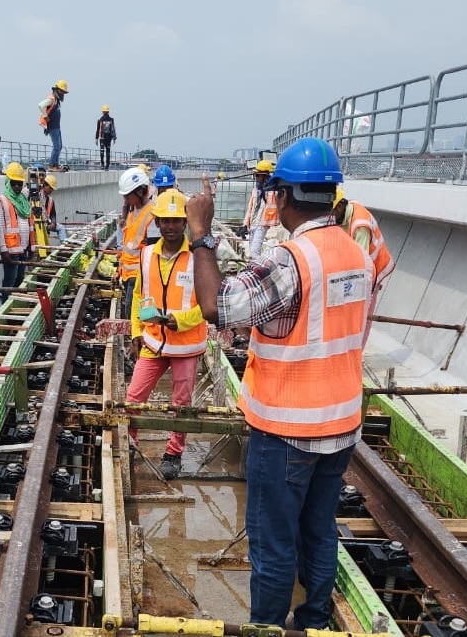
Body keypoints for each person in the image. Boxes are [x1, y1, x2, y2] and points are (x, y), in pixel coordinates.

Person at [185, 137, 374, 631]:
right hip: (340, 425)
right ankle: (313, 619)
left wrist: (201, 234)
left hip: (287, 428)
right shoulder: (357, 254)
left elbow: (216, 307)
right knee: (318, 530)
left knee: (272, 542)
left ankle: (266, 628)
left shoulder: (294, 260)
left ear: (282, 196)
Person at [128, 189, 207, 480]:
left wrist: (180, 320)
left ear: (185, 222)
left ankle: (173, 453)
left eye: (176, 221)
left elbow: (208, 305)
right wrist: (136, 330)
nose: (170, 226)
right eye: (165, 221)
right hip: (152, 341)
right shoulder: (147, 254)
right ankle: (129, 442)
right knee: (134, 397)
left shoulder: (199, 257)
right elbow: (138, 295)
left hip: (185, 345)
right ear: (157, 222)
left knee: (181, 404)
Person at [333, 187, 395, 346]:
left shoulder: (360, 225)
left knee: (363, 314)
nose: (330, 217)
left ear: (340, 206)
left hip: (375, 268)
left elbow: (361, 265)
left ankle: (357, 352)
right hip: (361, 266)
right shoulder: (346, 212)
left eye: (332, 212)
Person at [116, 167, 159, 319]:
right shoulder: (134, 211)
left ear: (140, 192)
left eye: (127, 196)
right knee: (133, 311)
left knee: (135, 312)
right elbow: (129, 245)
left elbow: (154, 250)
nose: (125, 200)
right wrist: (119, 268)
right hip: (129, 273)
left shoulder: (152, 214)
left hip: (140, 274)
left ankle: (141, 337)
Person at [0, 162, 35, 301]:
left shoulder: (23, 201)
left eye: (19, 184)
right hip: (10, 250)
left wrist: (31, 247)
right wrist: (4, 251)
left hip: (23, 247)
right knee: (10, 279)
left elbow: (29, 225)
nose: (17, 187)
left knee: (20, 278)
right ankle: (5, 302)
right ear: (8, 182)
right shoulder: (1, 202)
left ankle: (14, 301)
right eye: (14, 183)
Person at [243, 160, 279, 257]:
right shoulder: (255, 190)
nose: (256, 178)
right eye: (255, 175)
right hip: (253, 224)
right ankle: (254, 268)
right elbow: (250, 208)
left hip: (263, 223)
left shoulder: (273, 190)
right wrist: (245, 224)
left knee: (255, 251)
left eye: (258, 175)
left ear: (265, 176)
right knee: (252, 251)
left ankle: (256, 270)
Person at [38, 80, 69, 170]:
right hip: (53, 127)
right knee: (56, 146)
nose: (63, 94)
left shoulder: (56, 100)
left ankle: (55, 164)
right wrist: (45, 116)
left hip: (57, 127)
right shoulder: (51, 99)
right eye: (62, 92)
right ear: (57, 90)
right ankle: (51, 165)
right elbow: (40, 105)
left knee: (59, 146)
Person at [42, 174, 67, 242]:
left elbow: (53, 214)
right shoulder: (38, 197)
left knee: (61, 228)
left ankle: (64, 246)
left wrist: (53, 222)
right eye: (50, 188)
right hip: (39, 224)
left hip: (47, 224)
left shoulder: (50, 200)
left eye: (52, 189)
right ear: (45, 185)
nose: (51, 190)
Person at [95, 105, 117, 170]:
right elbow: (113, 129)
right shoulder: (110, 119)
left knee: (102, 151)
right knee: (108, 152)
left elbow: (98, 129)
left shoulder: (100, 119)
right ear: (108, 111)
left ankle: (103, 165)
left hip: (102, 138)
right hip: (108, 138)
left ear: (103, 112)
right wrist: (114, 138)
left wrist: (96, 138)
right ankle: (106, 166)